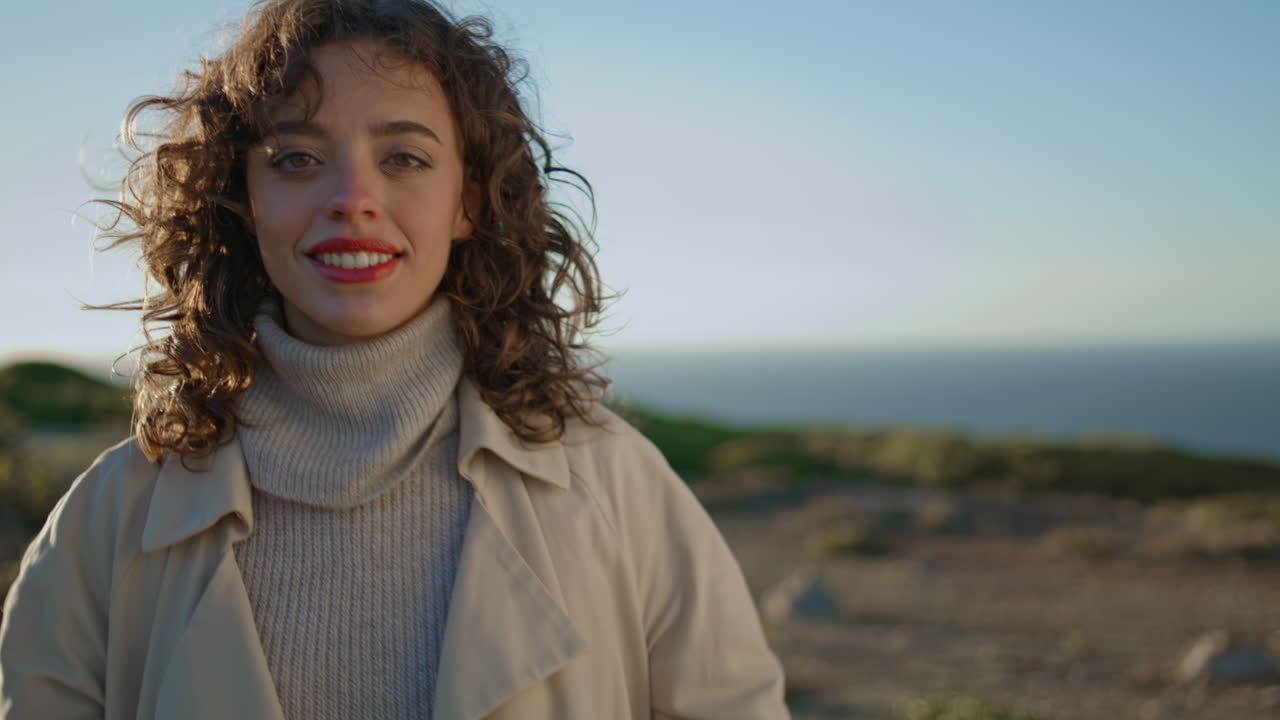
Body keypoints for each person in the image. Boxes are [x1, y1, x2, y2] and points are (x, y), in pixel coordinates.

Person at [0, 0, 789, 718]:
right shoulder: (109, 517)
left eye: (404, 158)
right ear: (240, 201)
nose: (352, 195)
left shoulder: (620, 486)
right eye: (296, 158)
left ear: (468, 204)